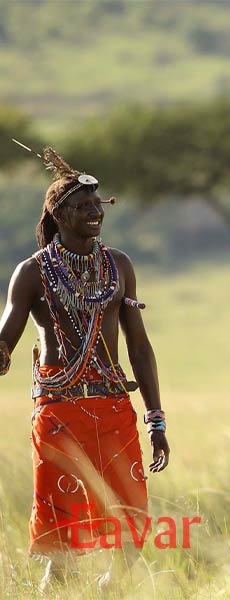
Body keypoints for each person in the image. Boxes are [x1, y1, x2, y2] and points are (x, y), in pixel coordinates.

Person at [0, 148, 169, 590]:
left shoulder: (119, 266)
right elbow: (7, 336)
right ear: (58, 214)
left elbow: (139, 345)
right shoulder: (32, 272)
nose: (96, 213)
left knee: (130, 529)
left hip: (114, 405)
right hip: (59, 411)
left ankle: (107, 593)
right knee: (63, 547)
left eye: (99, 205)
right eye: (83, 206)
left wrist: (155, 418)